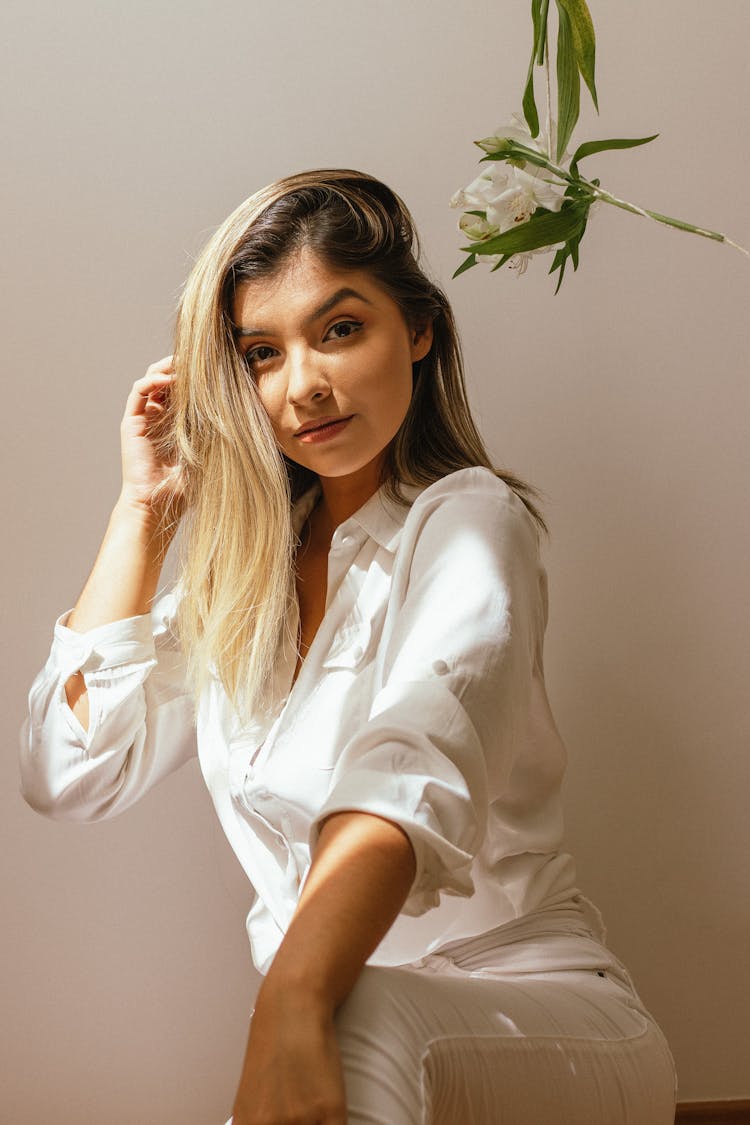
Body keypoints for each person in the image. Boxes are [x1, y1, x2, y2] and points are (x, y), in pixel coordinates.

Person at [19, 168, 677, 1125]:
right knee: (343, 1018)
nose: (303, 387)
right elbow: (68, 771)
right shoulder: (243, 588)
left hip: (540, 1014)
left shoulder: (469, 524)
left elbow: (411, 762)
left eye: (338, 329)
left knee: (342, 1014)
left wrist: (289, 996)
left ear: (417, 329)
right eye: (260, 353)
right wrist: (145, 511)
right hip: (347, 1019)